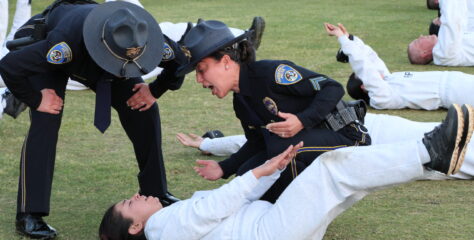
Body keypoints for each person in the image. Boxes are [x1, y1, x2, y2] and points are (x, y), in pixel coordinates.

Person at [99, 103, 473, 240]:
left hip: (274, 227)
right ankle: (430, 152)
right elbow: (215, 206)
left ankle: (435, 158)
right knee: (331, 171)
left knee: (351, 180)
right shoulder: (163, 228)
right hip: (272, 230)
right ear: (135, 226)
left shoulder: (167, 222)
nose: (138, 196)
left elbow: (224, 208)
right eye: (130, 203)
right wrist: (261, 172)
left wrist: (274, 170)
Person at [0, 1, 187, 238]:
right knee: (46, 119)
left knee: (144, 108)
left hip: (110, 56)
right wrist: (36, 99)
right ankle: (29, 214)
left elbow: (179, 62)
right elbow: (9, 66)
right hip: (52, 43)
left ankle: (156, 193)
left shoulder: (143, 36)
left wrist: (154, 90)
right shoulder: (64, 44)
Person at [175, 20, 371, 203]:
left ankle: (293, 215)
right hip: (302, 144)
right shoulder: (241, 101)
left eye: (201, 70)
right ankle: (269, 215)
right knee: (246, 173)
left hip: (347, 136)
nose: (199, 80)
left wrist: (302, 120)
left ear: (226, 61)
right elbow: (257, 142)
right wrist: (224, 167)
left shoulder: (271, 73)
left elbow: (332, 88)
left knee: (281, 148)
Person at [177, 109, 474, 180]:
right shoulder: (297, 123)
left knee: (452, 145)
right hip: (377, 138)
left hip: (377, 132)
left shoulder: (303, 114)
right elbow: (261, 141)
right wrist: (210, 144)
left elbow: (259, 140)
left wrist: (210, 143)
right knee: (450, 150)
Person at [325, 22, 474, 110]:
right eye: (364, 76)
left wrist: (351, 39)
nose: (373, 71)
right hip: (452, 92)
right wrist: (343, 41)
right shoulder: (383, 97)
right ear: (365, 86)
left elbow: (370, 58)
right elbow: (364, 66)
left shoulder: (390, 79)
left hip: (456, 80)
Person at [408, 0, 474, 66]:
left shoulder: (442, 47)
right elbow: (451, 19)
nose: (421, 36)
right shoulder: (443, 54)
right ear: (424, 53)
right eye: (417, 41)